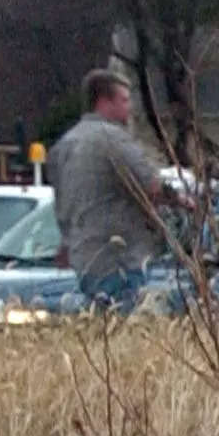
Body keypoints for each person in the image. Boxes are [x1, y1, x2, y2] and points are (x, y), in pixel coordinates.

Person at [48, 68, 168, 306]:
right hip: (119, 259)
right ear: (104, 101)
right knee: (130, 326)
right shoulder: (112, 138)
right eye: (124, 100)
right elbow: (153, 186)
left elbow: (61, 204)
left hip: (83, 260)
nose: (129, 108)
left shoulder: (63, 146)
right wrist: (184, 201)